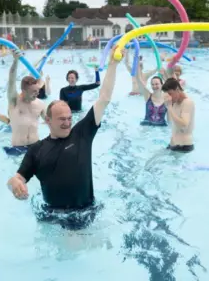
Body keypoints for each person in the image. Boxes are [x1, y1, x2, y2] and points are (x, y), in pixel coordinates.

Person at [6, 48, 122, 230]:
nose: (67, 123)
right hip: (51, 216)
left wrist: (113, 64)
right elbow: (18, 177)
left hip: (85, 212)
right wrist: (14, 184)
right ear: (47, 120)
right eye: (61, 119)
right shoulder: (36, 149)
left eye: (69, 118)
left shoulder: (83, 133)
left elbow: (104, 98)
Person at [5, 49, 46, 156]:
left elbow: (50, 122)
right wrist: (15, 61)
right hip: (18, 148)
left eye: (38, 91)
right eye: (33, 92)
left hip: (36, 145)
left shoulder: (40, 104)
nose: (37, 94)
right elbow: (11, 81)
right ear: (23, 91)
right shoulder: (14, 101)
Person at [161, 78, 195, 152]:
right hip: (173, 145)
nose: (169, 97)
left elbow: (183, 124)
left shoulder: (187, 103)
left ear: (177, 90)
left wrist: (169, 108)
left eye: (170, 94)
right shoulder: (175, 102)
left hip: (183, 147)